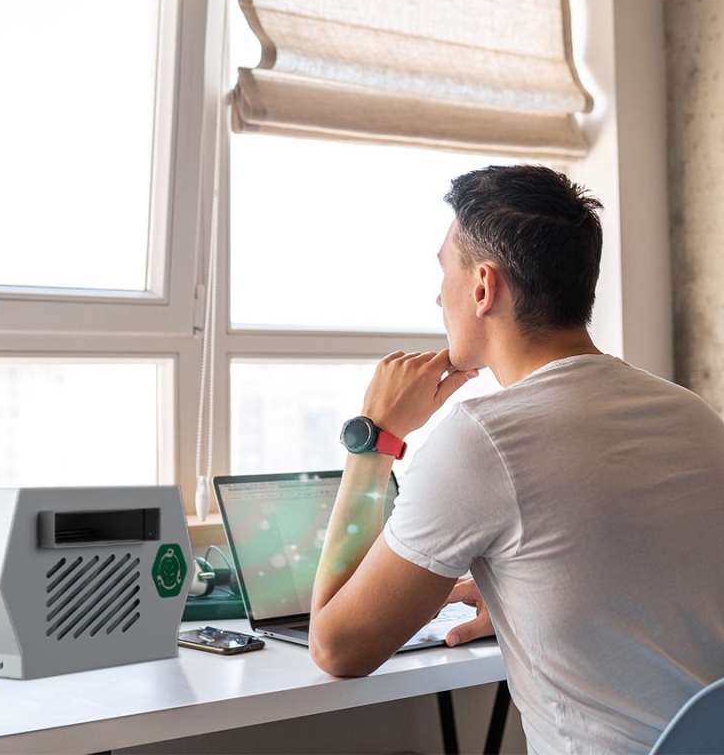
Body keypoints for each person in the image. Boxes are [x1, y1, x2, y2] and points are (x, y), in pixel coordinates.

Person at [309, 164, 724, 754]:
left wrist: (375, 439)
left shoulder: (483, 439)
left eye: (443, 273)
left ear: (483, 287)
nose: (437, 296)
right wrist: (531, 591)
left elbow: (337, 648)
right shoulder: (694, 416)